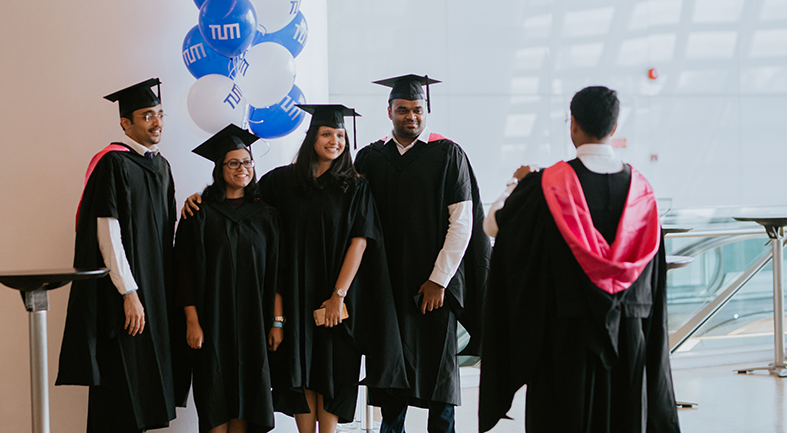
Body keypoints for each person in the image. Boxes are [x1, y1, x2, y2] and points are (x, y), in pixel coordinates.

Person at [183, 105, 407, 433]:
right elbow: (241, 196)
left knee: (333, 374)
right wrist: (199, 197)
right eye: (327, 134)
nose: (334, 141)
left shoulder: (355, 186)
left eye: (340, 135)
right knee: (301, 372)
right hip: (296, 297)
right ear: (312, 137)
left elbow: (360, 241)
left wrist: (338, 295)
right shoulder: (282, 181)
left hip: (337, 301)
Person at [478, 86, 680, 433]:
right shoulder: (644, 195)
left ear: (572, 125)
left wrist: (515, 184)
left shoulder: (545, 187)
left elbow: (494, 226)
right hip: (629, 338)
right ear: (614, 129)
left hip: (563, 340)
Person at [353, 75, 492, 433]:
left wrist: (438, 280)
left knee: (440, 386)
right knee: (392, 381)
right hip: (386, 287)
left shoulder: (447, 154)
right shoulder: (370, 158)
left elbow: (462, 223)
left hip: (432, 289)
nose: (410, 116)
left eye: (417, 110)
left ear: (426, 110)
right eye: (402, 110)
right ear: (389, 111)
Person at [56, 78, 178, 432]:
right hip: (124, 294)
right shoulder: (113, 163)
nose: (156, 123)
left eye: (158, 114)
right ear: (126, 123)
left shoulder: (161, 167)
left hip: (153, 290)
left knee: (145, 384)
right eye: (146, 116)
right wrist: (129, 292)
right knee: (121, 390)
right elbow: (107, 233)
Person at [173, 124, 282, 433]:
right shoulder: (200, 214)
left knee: (249, 402)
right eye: (233, 163)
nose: (241, 168)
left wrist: (277, 322)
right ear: (219, 169)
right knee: (215, 397)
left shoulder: (267, 217)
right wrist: (192, 321)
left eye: (246, 162)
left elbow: (276, 273)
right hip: (212, 323)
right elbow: (184, 271)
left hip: (254, 326)